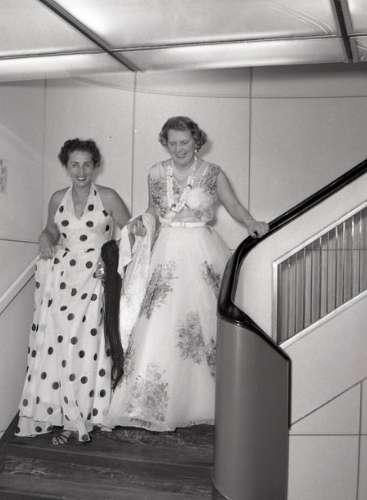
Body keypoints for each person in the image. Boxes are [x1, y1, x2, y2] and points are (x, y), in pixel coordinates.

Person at [105, 116, 268, 431]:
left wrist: (251, 223)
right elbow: (152, 210)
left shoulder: (213, 173)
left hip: (202, 250)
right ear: (165, 143)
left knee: (204, 325)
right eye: (173, 143)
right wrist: (142, 223)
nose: (179, 148)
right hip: (167, 251)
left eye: (185, 142)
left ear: (196, 141)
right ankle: (152, 405)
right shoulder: (155, 173)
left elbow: (233, 206)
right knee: (161, 323)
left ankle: (204, 403)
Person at [16, 138, 130, 444]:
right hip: (61, 279)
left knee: (86, 345)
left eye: (87, 164)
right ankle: (63, 414)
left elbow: (132, 233)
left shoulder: (108, 196)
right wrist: (44, 237)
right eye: (74, 165)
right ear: (66, 166)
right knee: (58, 344)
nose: (81, 171)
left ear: (96, 166)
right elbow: (52, 229)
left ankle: (79, 418)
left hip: (95, 278)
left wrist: (110, 257)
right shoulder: (57, 198)